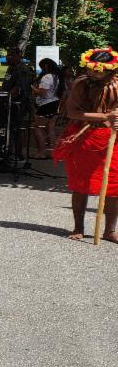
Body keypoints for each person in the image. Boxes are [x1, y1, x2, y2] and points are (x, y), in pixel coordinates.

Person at [53, 48, 118, 243]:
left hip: (111, 138)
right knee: (81, 184)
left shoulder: (117, 84)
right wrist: (104, 116)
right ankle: (78, 227)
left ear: (110, 69)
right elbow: (72, 113)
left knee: (114, 186)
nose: (93, 73)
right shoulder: (81, 84)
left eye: (98, 70)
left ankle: (109, 230)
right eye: (91, 69)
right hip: (84, 137)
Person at [32, 57, 65, 160]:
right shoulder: (57, 76)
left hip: (46, 104)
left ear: (46, 66)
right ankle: (54, 153)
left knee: (36, 127)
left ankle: (41, 152)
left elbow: (43, 94)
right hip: (54, 103)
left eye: (42, 67)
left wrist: (33, 89)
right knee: (50, 129)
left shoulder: (47, 77)